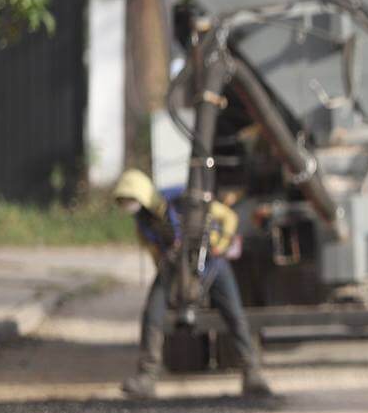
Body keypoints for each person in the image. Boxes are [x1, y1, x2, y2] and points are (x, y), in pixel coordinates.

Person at [113, 170, 271, 399]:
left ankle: (253, 375)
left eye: (131, 200)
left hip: (212, 265)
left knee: (234, 315)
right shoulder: (143, 222)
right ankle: (146, 378)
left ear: (143, 196)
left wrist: (222, 243)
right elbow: (153, 250)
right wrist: (170, 275)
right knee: (152, 314)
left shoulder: (183, 202)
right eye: (125, 201)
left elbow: (228, 217)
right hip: (173, 268)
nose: (129, 205)